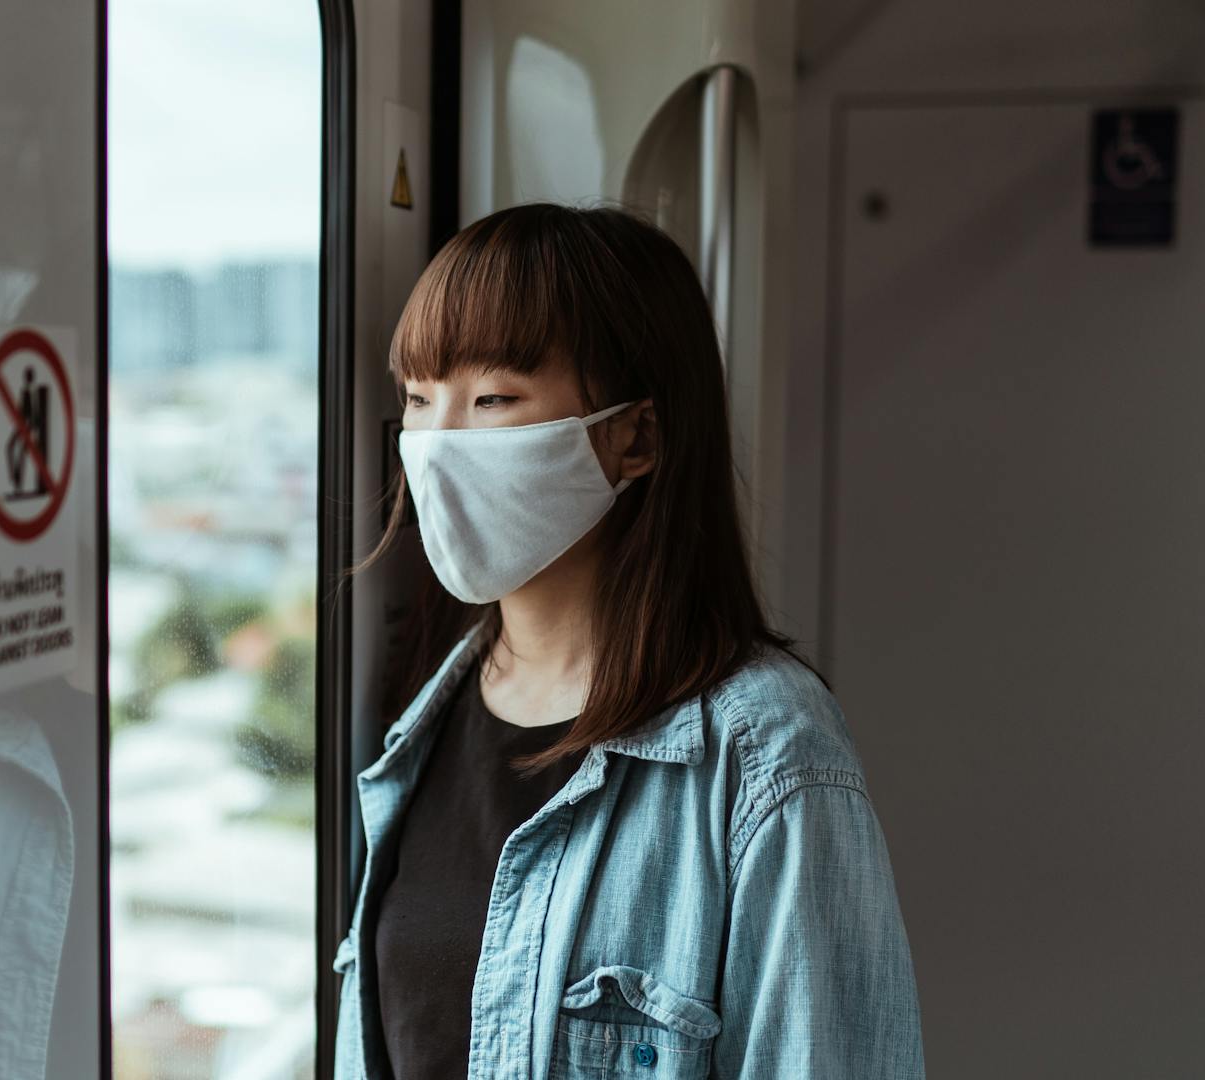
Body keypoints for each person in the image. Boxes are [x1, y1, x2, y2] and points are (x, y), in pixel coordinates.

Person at [332, 203, 924, 1079]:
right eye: (420, 400)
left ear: (633, 438)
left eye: (493, 399)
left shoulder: (766, 750)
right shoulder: (424, 719)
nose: (438, 444)